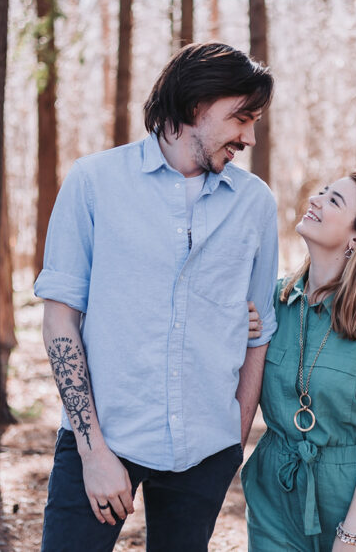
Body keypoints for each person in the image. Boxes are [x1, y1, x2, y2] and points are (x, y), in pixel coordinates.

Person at [34, 42, 279, 551]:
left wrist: (231, 440)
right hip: (104, 441)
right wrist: (93, 451)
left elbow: (261, 331)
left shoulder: (255, 203)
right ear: (197, 105)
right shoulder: (93, 182)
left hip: (205, 451)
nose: (249, 137)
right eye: (242, 118)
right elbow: (60, 319)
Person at [242, 170, 356, 551]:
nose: (315, 200)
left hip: (353, 495)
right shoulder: (274, 300)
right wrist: (235, 330)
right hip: (276, 491)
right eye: (322, 192)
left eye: (333, 200)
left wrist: (354, 531)